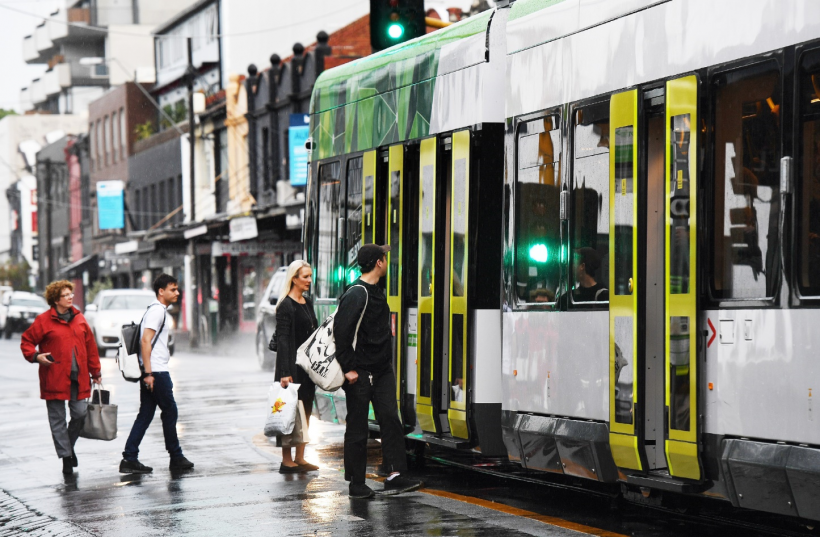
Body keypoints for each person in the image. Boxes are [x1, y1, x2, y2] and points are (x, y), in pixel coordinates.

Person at [334, 243, 423, 499]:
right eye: (384, 257)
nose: (387, 260)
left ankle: (395, 474)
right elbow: (341, 332)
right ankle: (356, 483)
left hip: (382, 370)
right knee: (358, 427)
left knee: (390, 420)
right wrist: (349, 369)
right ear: (378, 263)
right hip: (360, 372)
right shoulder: (356, 293)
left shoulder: (377, 291)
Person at [21, 280, 101, 475]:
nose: (70, 297)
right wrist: (35, 356)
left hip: (78, 378)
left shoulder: (80, 319)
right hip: (54, 377)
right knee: (57, 419)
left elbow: (91, 347)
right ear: (56, 300)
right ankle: (66, 457)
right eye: (66, 295)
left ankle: (68, 447)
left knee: (80, 414)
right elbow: (27, 341)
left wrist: (96, 372)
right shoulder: (43, 320)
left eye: (70, 294)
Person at [120, 274, 194, 474]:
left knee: (146, 414)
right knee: (170, 411)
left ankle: (129, 457)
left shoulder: (156, 310)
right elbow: (145, 341)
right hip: (157, 372)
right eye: (173, 289)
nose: (177, 293)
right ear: (161, 291)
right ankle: (176, 457)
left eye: (177, 289)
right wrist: (149, 373)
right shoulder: (157, 311)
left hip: (154, 370)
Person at [274, 260, 320, 474]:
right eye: (305, 277)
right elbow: (283, 340)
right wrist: (285, 372)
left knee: (305, 411)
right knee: (289, 413)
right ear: (294, 279)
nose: (309, 280)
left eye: (310, 276)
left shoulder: (307, 302)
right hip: (290, 368)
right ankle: (286, 460)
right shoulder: (286, 305)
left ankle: (300, 457)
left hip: (307, 366)